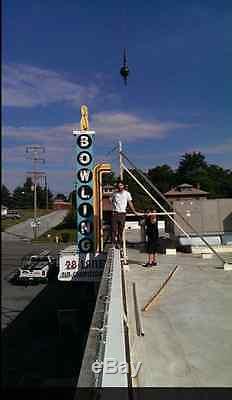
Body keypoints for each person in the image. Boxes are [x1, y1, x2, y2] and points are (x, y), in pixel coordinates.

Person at [111, 180, 139, 249]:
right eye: (118, 185)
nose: (120, 187)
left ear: (123, 186)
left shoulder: (127, 194)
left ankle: (119, 243)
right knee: (114, 230)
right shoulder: (114, 193)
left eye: (121, 185)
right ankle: (114, 243)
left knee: (121, 230)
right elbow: (111, 201)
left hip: (122, 214)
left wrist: (134, 211)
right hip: (115, 213)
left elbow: (130, 203)